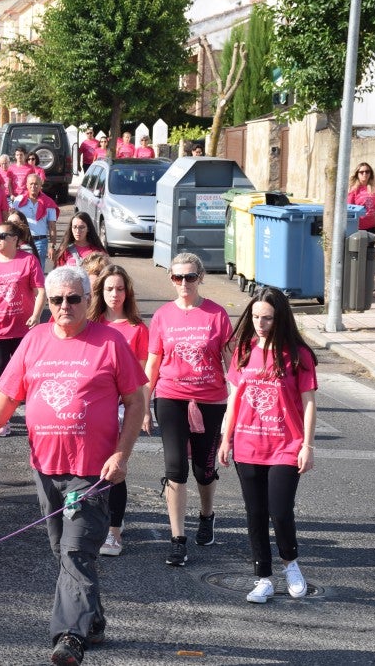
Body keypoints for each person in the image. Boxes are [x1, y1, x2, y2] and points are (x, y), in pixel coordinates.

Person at [0, 266, 146, 666]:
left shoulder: (110, 342)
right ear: (47, 303)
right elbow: (10, 394)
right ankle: (94, 620)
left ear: (88, 300)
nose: (64, 306)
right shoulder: (34, 340)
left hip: (92, 472)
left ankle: (70, 636)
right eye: (56, 300)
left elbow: (136, 402)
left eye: (73, 298)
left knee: (75, 551)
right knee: (62, 550)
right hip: (45, 466)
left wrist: (122, 454)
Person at [218, 287, 317, 604]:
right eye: (256, 317)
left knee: (280, 511)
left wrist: (308, 446)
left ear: (281, 318)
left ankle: (291, 564)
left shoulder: (298, 355)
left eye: (268, 318)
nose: (260, 323)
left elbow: (310, 402)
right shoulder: (244, 350)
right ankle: (263, 578)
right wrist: (226, 437)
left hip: (286, 446)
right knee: (256, 513)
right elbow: (234, 398)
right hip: (247, 446)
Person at [144, 252, 232, 567]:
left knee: (204, 470)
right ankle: (178, 539)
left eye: (190, 277)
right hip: (170, 397)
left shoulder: (217, 315)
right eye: (177, 277)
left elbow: (231, 364)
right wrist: (144, 405)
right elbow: (153, 364)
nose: (184, 283)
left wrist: (236, 408)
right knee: (175, 468)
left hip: (210, 400)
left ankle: (207, 516)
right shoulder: (162, 316)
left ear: (200, 278)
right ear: (171, 279)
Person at [88, 265, 149, 557]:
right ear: (100, 292)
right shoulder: (89, 324)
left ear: (128, 292)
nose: (115, 294)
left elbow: (139, 378)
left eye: (120, 289)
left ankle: (114, 533)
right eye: (109, 289)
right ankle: (92, 521)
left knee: (116, 468)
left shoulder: (137, 328)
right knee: (89, 467)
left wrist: (145, 410)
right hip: (92, 407)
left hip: (122, 408)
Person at [0, 221, 45, 437]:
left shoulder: (28, 261)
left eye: (3, 236)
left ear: (15, 239)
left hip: (23, 329)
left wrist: (36, 315)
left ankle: (37, 416)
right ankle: (1, 420)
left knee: (30, 373)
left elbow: (40, 290)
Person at [12, 173, 58, 267]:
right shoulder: (18, 201)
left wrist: (52, 246)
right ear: (27, 185)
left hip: (40, 242)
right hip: (23, 241)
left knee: (38, 270)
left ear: (41, 185)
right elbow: (12, 222)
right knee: (22, 269)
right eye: (31, 184)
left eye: (36, 184)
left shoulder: (49, 203)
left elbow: (52, 226)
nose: (33, 186)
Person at [348, 162, 375, 231]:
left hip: (372, 226)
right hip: (358, 228)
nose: (365, 174)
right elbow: (349, 209)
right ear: (357, 174)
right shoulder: (354, 189)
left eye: (367, 171)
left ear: (370, 174)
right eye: (361, 172)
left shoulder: (373, 188)